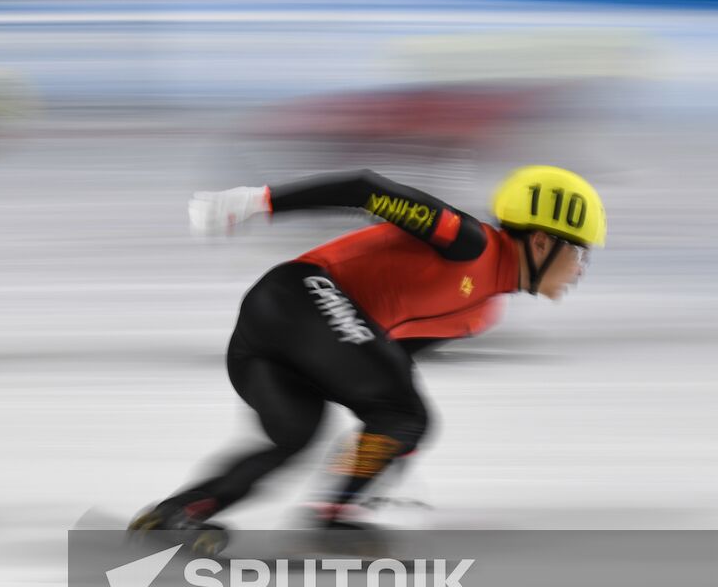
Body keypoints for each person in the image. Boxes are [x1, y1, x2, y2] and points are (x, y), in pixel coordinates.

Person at [129, 166, 605, 553]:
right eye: (579, 254)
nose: (581, 271)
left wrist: (386, 455)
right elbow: (366, 190)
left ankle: (179, 513)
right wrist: (256, 203)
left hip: (277, 348)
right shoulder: (468, 241)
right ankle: (334, 518)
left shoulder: (479, 314)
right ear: (542, 241)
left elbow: (384, 365)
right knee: (406, 415)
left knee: (295, 437)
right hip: (296, 295)